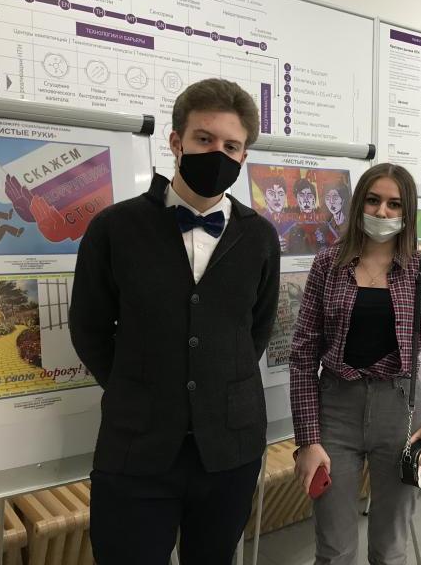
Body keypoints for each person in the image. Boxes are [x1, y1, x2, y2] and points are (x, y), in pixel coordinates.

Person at [69, 78, 281, 565]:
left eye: (231, 146)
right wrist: (136, 386)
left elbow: (255, 330)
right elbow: (89, 329)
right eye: (204, 139)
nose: (218, 154)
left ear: (244, 155)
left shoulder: (260, 238)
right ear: (176, 142)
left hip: (229, 450)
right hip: (136, 448)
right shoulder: (114, 228)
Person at [290, 163, 421, 565]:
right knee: (334, 549)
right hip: (335, 410)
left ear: (407, 212)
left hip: (399, 411)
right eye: (373, 200)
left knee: (390, 547)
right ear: (359, 203)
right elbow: (303, 355)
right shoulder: (327, 265)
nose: (382, 212)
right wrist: (307, 439)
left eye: (394, 204)